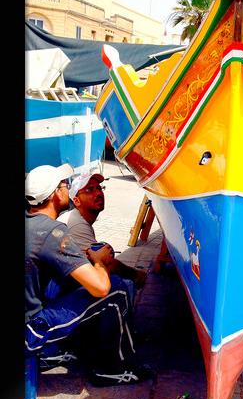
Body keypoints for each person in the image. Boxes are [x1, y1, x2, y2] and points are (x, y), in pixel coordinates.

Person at [25, 163, 153, 386]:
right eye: (65, 185)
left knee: (72, 282)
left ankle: (63, 348)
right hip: (30, 332)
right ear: (56, 194)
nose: (67, 188)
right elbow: (100, 288)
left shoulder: (31, 224)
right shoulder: (52, 232)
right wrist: (100, 262)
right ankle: (112, 369)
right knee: (116, 290)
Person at [60, 171, 147, 306]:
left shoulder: (78, 218)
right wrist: (137, 275)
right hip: (56, 291)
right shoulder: (77, 223)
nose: (98, 193)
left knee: (103, 249)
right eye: (89, 190)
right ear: (76, 201)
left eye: (99, 188)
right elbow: (107, 263)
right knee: (121, 285)